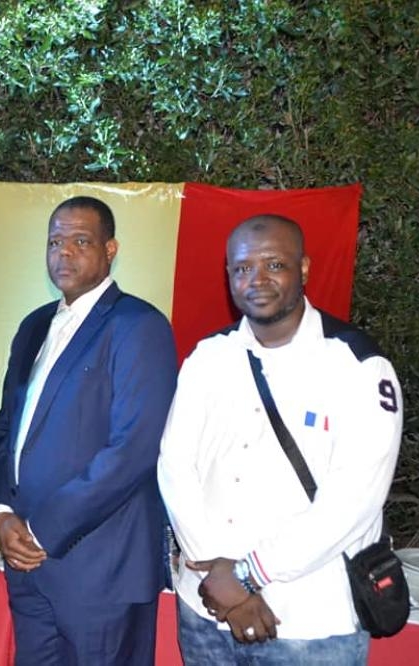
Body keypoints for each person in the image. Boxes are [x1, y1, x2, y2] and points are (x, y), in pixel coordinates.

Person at [157, 214, 403, 665]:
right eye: (242, 268)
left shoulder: (357, 365)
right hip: (206, 609)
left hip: (309, 623)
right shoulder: (208, 358)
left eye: (274, 264)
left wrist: (248, 576)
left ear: (304, 269)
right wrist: (223, 582)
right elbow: (174, 467)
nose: (257, 279)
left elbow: (353, 502)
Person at [0, 196, 178, 665]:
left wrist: (41, 530)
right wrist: (1, 513)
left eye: (80, 241)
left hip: (102, 571)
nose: (63, 253)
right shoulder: (33, 326)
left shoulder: (139, 326)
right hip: (28, 565)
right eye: (54, 242)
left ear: (110, 250)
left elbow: (133, 450)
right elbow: (4, 430)